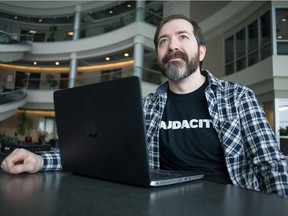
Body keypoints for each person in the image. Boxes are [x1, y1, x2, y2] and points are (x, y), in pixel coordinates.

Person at [1, 15, 288, 197]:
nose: (172, 45)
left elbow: (272, 166)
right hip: (161, 204)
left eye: (182, 37)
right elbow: (98, 153)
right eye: (164, 41)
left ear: (201, 51)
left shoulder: (239, 97)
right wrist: (41, 161)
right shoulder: (145, 107)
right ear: (160, 55)